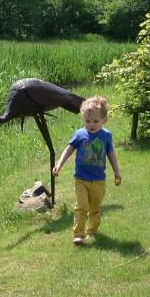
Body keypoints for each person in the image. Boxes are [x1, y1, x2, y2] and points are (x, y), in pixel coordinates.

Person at [51, 96, 122, 245]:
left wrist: (116, 171)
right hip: (81, 179)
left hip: (98, 180)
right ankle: (78, 234)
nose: (91, 124)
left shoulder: (106, 136)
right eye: (87, 121)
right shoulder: (80, 134)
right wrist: (59, 164)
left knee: (95, 208)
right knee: (81, 206)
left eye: (95, 121)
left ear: (104, 120)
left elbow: (111, 154)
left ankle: (92, 230)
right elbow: (68, 150)